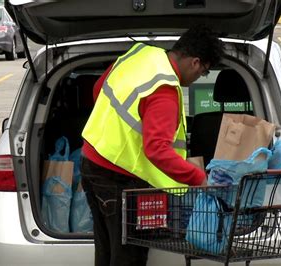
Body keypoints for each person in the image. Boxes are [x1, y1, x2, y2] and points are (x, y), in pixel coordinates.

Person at [80, 25, 225, 266]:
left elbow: (99, 90)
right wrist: (198, 178)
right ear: (196, 62)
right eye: (204, 72)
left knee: (106, 252)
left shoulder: (141, 55)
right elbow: (157, 149)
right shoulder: (164, 90)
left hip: (91, 163)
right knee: (128, 257)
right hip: (119, 181)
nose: (199, 77)